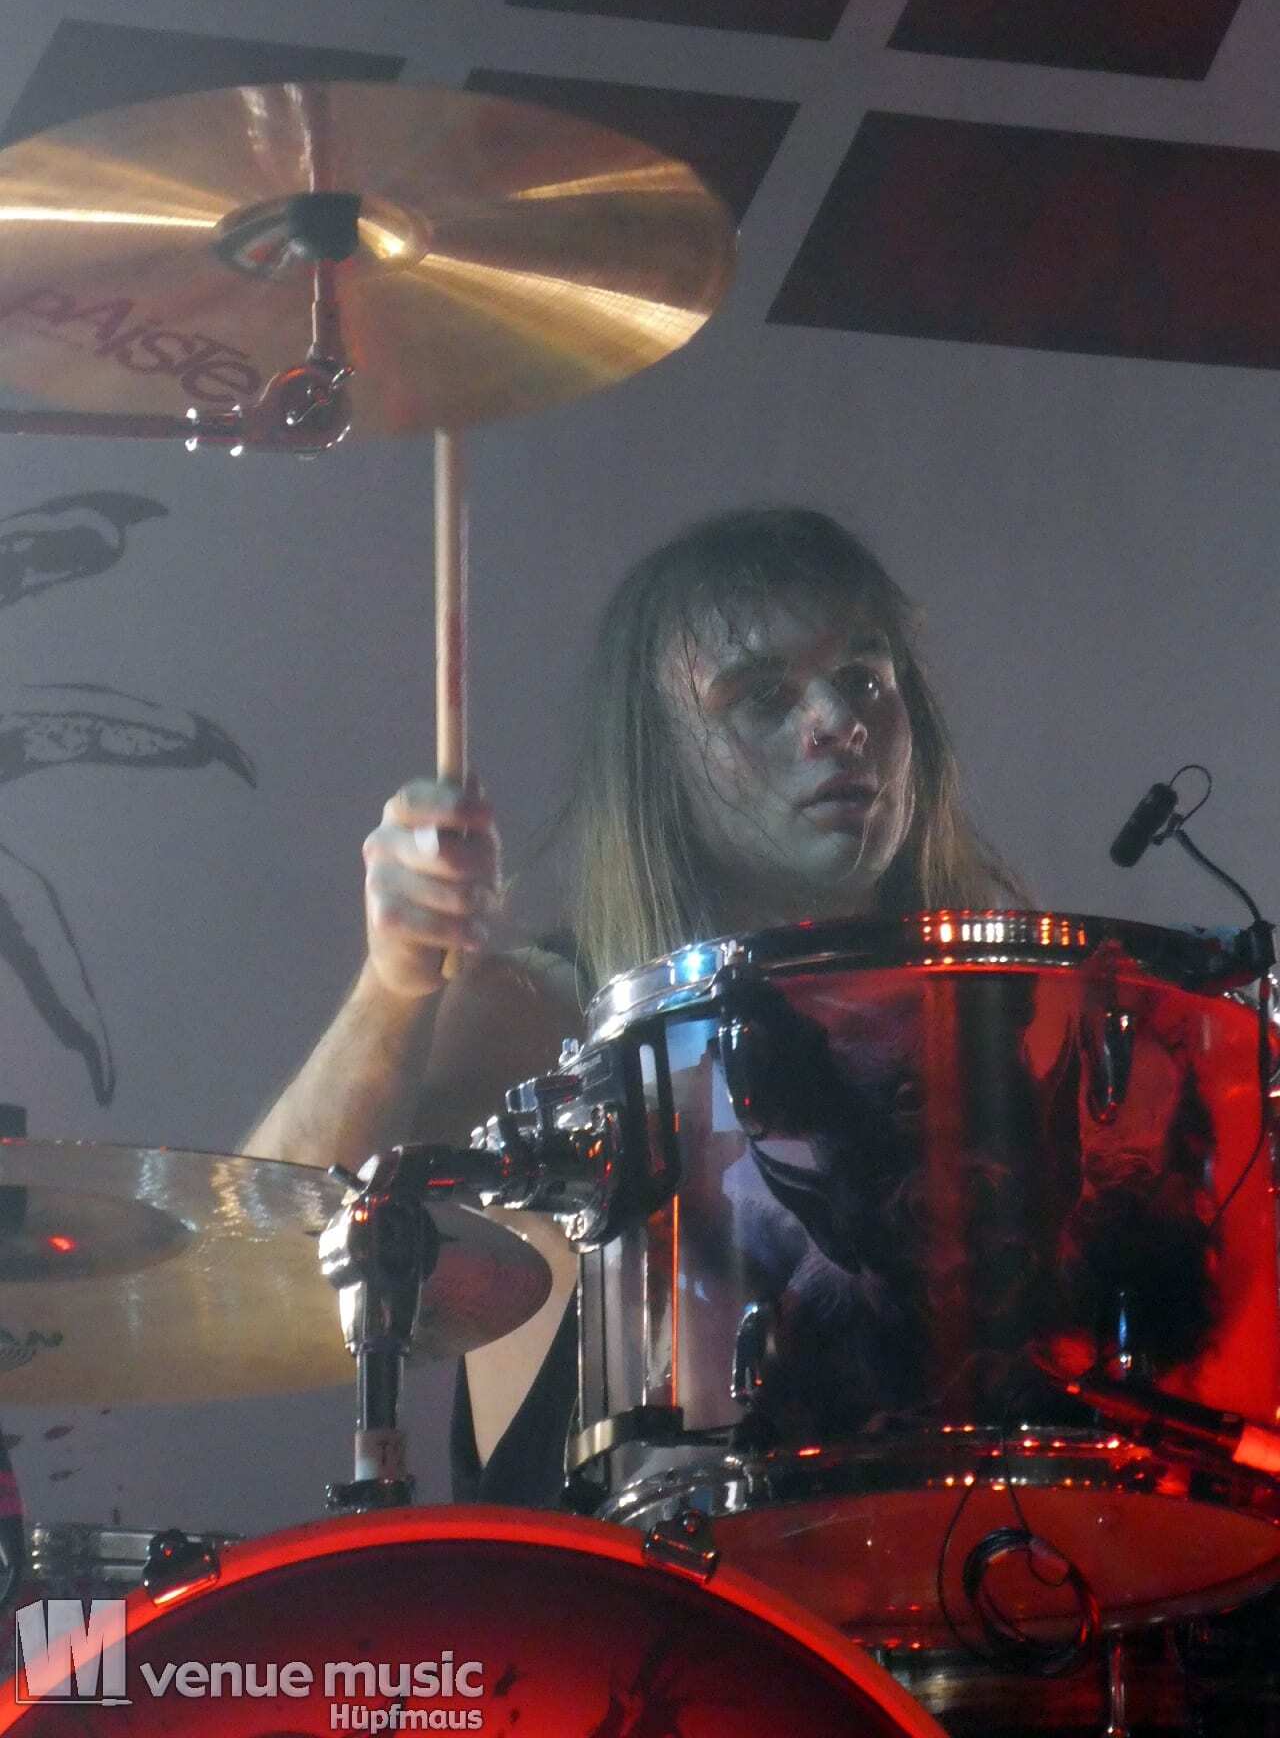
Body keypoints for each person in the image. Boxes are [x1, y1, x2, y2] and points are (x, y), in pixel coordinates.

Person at [243, 505, 1020, 1498]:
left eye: (864, 679)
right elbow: (266, 1260)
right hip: (615, 1590)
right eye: (761, 696)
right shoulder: (551, 1012)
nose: (839, 723)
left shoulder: (1000, 1020)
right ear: (660, 758)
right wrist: (392, 987)